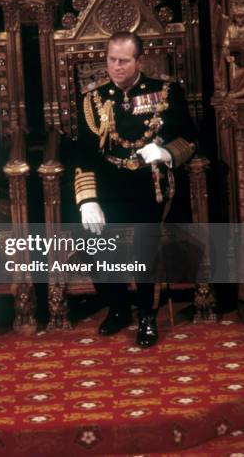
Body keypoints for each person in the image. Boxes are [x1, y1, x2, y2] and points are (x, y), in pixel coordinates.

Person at [74, 30, 196, 347]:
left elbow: (191, 140)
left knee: (145, 245)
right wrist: (88, 200)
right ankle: (117, 308)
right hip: (109, 184)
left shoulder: (166, 92)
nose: (117, 67)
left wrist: (167, 153)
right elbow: (85, 155)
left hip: (149, 183)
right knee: (89, 243)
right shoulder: (93, 100)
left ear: (139, 60)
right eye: (112, 60)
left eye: (124, 61)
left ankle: (146, 315)